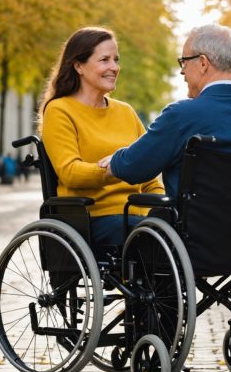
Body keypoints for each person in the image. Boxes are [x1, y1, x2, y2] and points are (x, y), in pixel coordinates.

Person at [101, 24, 231, 197]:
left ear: (203, 63)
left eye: (184, 61)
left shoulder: (181, 116)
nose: (182, 71)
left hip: (193, 237)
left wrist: (116, 161)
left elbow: (135, 167)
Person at [39, 26, 164, 249]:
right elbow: (70, 172)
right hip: (92, 219)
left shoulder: (125, 112)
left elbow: (149, 176)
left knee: (180, 229)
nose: (114, 67)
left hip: (136, 217)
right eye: (104, 60)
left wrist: (162, 208)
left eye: (116, 59)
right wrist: (114, 169)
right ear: (78, 65)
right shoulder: (59, 110)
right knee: (154, 240)